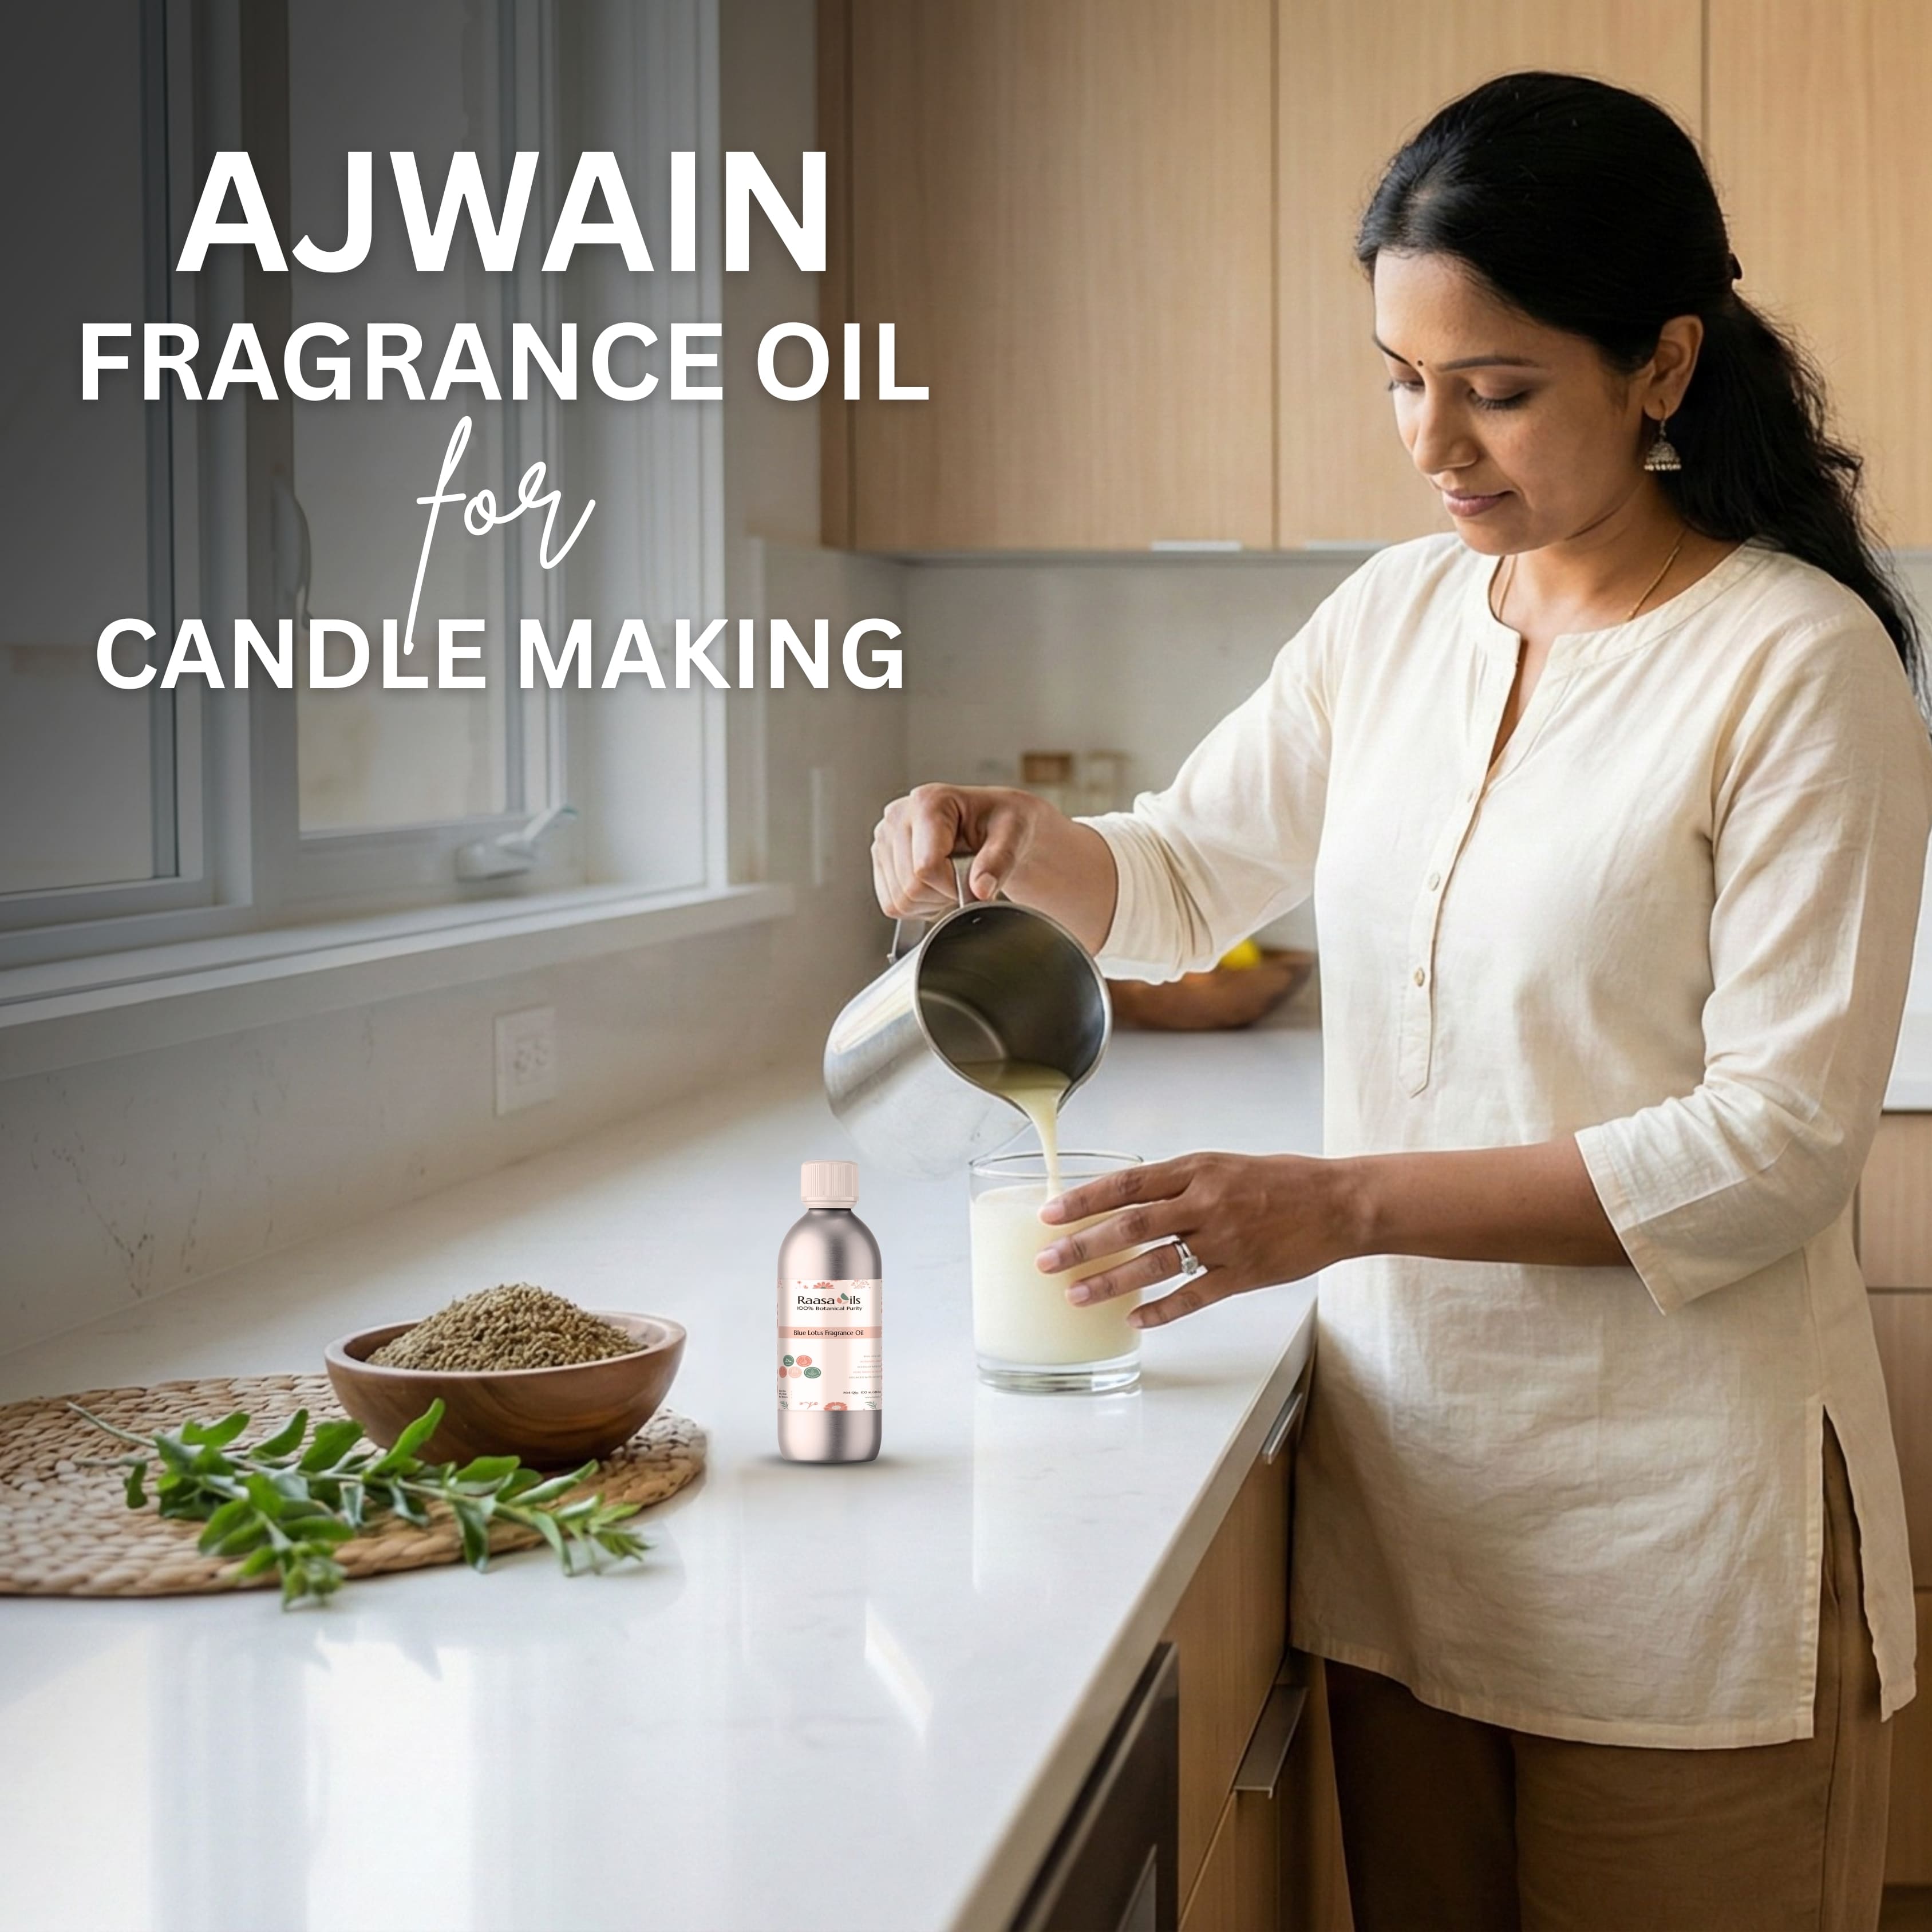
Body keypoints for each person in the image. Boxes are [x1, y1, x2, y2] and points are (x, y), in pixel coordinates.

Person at [871, 70, 1932, 1932]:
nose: (1434, 443)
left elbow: (1769, 1151)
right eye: (1400, 376)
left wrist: (1334, 1205)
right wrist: (1025, 844)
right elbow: (1189, 876)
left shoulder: (1796, 663)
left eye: (1497, 388)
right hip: (1414, 1524)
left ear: (1664, 365)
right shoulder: (1394, 618)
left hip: (1683, 1549)